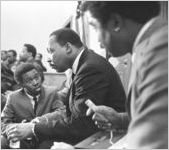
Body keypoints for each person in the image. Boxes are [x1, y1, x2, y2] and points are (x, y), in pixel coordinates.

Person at [6, 28, 126, 146]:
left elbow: (80, 124)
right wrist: (40, 121)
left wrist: (33, 129)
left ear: (68, 48)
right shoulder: (83, 65)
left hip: (110, 136)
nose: (49, 58)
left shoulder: (90, 68)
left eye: (51, 51)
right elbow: (73, 111)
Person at [81, 1, 168, 149]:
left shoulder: (160, 52)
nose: (98, 41)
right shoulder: (151, 45)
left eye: (95, 27)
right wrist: (119, 119)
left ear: (115, 22)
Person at [1, 63, 64, 149]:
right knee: (2, 142)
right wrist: (17, 128)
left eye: (36, 77)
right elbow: (4, 122)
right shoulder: (13, 97)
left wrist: (38, 122)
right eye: (29, 80)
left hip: (45, 137)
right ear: (21, 84)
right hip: (22, 140)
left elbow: (61, 113)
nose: (35, 82)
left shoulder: (52, 92)